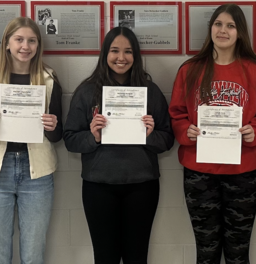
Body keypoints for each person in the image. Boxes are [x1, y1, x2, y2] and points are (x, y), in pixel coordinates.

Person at [170, 3, 256, 264]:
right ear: (210, 28)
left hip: (243, 169)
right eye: (218, 24)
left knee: (238, 251)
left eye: (231, 25)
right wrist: (185, 130)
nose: (223, 30)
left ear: (240, 32)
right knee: (206, 251)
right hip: (200, 170)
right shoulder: (190, 69)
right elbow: (177, 112)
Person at [63, 27, 175, 264]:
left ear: (136, 55)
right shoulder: (87, 91)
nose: (121, 57)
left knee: (137, 257)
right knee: (105, 258)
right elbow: (70, 139)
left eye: (128, 51)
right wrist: (93, 137)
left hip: (142, 186)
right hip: (98, 187)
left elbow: (167, 139)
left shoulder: (150, 91)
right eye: (115, 50)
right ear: (105, 53)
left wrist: (149, 135)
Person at [0, 17, 63, 264]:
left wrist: (52, 127)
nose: (25, 46)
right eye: (19, 39)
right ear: (7, 43)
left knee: (33, 253)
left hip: (37, 172)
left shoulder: (48, 78)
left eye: (32, 41)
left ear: (38, 45)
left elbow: (58, 135)